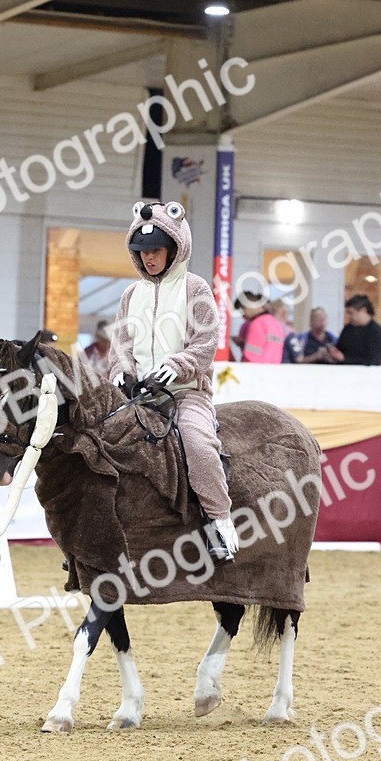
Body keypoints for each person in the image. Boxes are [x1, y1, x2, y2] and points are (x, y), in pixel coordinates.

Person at [108, 199, 238, 563]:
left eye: (156, 250)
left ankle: (219, 522)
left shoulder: (195, 289)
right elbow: (120, 345)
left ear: (174, 248)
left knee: (197, 444)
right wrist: (121, 371)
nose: (149, 258)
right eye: (143, 251)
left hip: (185, 394)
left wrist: (177, 366)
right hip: (137, 399)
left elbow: (206, 342)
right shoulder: (129, 295)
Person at [333, 295, 381, 366]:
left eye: (351, 313)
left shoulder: (376, 332)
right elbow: (340, 348)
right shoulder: (348, 329)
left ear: (363, 310)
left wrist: (345, 359)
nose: (349, 316)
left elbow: (373, 360)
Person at [234, 292, 285, 363]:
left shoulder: (256, 324)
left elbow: (250, 355)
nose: (243, 315)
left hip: (256, 370)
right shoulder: (274, 323)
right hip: (273, 369)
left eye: (243, 310)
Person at [269, 299, 304, 364]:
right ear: (284, 313)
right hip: (284, 370)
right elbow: (299, 358)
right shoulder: (288, 332)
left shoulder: (266, 327)